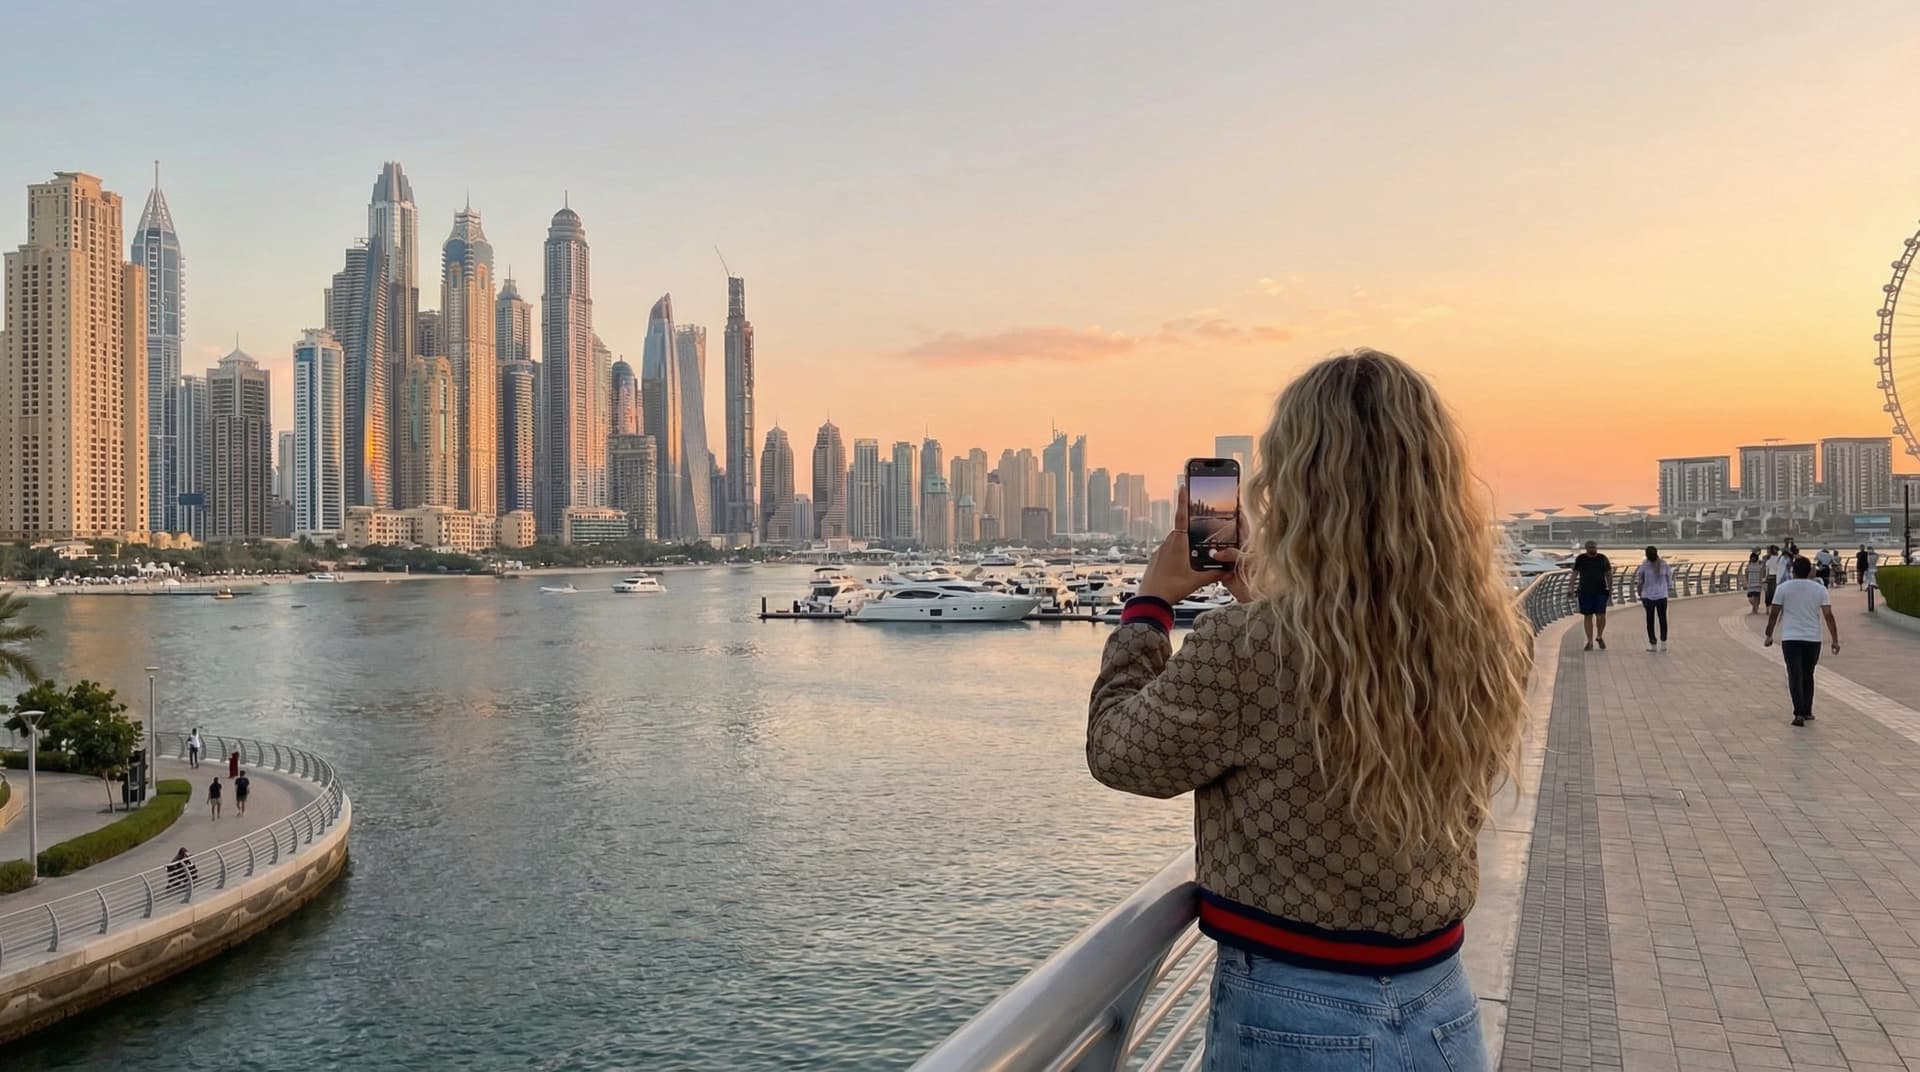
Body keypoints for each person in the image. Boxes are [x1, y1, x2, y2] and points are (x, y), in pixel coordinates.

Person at [1087, 351, 1530, 1070]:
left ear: (1296, 485)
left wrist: (1151, 604)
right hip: (1442, 1010)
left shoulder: (1247, 647)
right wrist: (1263, 599)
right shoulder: (1487, 637)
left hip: (1293, 1017)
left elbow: (1119, 752)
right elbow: (1344, 676)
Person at [1765, 556, 1840, 727]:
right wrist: (1835, 640)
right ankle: (1807, 710)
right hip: (1812, 639)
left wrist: (1769, 635)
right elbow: (1828, 616)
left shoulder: (1783, 588)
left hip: (1790, 638)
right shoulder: (1820, 589)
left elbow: (1774, 615)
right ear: (1810, 571)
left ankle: (1798, 712)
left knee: (1794, 674)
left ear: (1792, 570)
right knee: (1808, 674)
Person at [1571, 540, 1612, 651]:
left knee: (1601, 615)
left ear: (1596, 547)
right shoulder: (1581, 559)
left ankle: (1599, 636)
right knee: (1587, 616)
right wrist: (1571, 587)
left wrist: (1610, 588)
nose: (1592, 549)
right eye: (1590, 547)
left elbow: (1608, 574)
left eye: (1594, 547)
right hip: (1585, 592)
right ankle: (1589, 641)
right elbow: (1574, 574)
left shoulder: (1602, 558)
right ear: (1586, 548)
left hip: (1601, 591)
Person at [1634, 546, 1673, 651]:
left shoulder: (1645, 564)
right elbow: (1669, 579)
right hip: (1661, 595)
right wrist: (1668, 587)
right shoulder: (1664, 564)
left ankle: (1653, 644)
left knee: (1650, 620)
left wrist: (1639, 592)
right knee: (1662, 619)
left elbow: (1639, 578)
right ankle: (1663, 643)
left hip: (1648, 596)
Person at [1743, 550, 1766, 614]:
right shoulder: (1748, 566)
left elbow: (1762, 575)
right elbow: (1746, 575)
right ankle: (1755, 607)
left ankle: (1755, 610)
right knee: (1750, 598)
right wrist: (1746, 582)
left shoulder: (1760, 566)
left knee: (1756, 598)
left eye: (1754, 558)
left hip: (1757, 584)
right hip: (1750, 584)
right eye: (1752, 558)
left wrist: (1761, 583)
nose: (1753, 559)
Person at [1862, 547, 1880, 614]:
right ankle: (1871, 585)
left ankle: (1870, 585)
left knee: (1869, 577)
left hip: (1870, 568)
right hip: (1871, 568)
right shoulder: (1875, 555)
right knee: (1870, 577)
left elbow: (1868, 561)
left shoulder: (1869, 556)